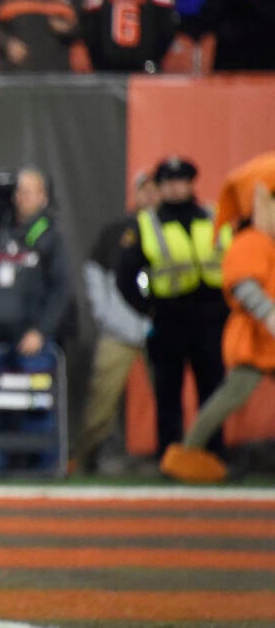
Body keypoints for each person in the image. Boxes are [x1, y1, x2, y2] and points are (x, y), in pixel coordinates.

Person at [163, 154, 275, 483]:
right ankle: (187, 453)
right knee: (232, 395)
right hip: (255, 337)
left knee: (230, 395)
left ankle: (188, 451)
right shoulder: (250, 242)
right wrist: (269, 314)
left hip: (266, 337)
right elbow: (243, 284)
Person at [0, 168, 72, 473]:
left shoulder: (50, 235)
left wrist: (42, 331)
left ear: (43, 197)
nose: (22, 197)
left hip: (31, 334)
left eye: (29, 191)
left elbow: (61, 289)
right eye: (19, 191)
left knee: (37, 399)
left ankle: (44, 462)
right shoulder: (2, 228)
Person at [116, 156, 230, 460]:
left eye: (180, 181)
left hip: (211, 317)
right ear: (161, 187)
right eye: (168, 183)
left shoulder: (213, 216)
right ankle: (169, 455)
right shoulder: (148, 223)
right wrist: (148, 308)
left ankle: (212, 454)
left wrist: (228, 307)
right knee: (168, 392)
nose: (175, 188)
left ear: (191, 183)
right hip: (169, 318)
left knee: (213, 390)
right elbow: (126, 276)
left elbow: (232, 262)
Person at [69, 172, 158, 473]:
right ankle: (86, 457)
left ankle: (173, 454)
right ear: (134, 193)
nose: (150, 196)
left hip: (161, 329)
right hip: (119, 330)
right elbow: (95, 272)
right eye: (144, 190)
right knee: (101, 398)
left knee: (168, 397)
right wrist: (106, 315)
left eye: (155, 189)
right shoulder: (117, 231)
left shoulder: (170, 229)